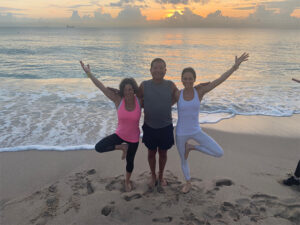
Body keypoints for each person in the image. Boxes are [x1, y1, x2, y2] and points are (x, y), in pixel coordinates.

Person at [174, 53, 249, 193]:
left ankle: (192, 148)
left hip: (196, 130)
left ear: (194, 79)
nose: (188, 81)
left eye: (190, 79)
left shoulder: (200, 91)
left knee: (219, 152)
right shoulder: (177, 94)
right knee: (183, 160)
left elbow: (219, 80)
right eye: (185, 79)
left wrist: (234, 67)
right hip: (180, 132)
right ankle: (188, 182)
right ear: (182, 80)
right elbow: (160, 98)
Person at [80, 61, 141, 192]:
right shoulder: (118, 99)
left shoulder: (140, 100)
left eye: (130, 89)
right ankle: (122, 147)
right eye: (125, 90)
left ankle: (127, 181)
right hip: (120, 134)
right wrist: (89, 73)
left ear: (134, 89)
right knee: (99, 147)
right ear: (122, 91)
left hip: (134, 138)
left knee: (130, 162)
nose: (128, 92)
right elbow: (101, 87)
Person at [138, 58, 178, 191]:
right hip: (149, 126)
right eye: (155, 67)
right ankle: (153, 175)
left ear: (165, 70)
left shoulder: (170, 85)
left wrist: (197, 90)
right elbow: (136, 99)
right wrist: (119, 93)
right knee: (151, 153)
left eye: (161, 68)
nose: (158, 70)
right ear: (150, 70)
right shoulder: (144, 85)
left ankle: (161, 175)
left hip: (165, 126)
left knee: (163, 153)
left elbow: (179, 97)